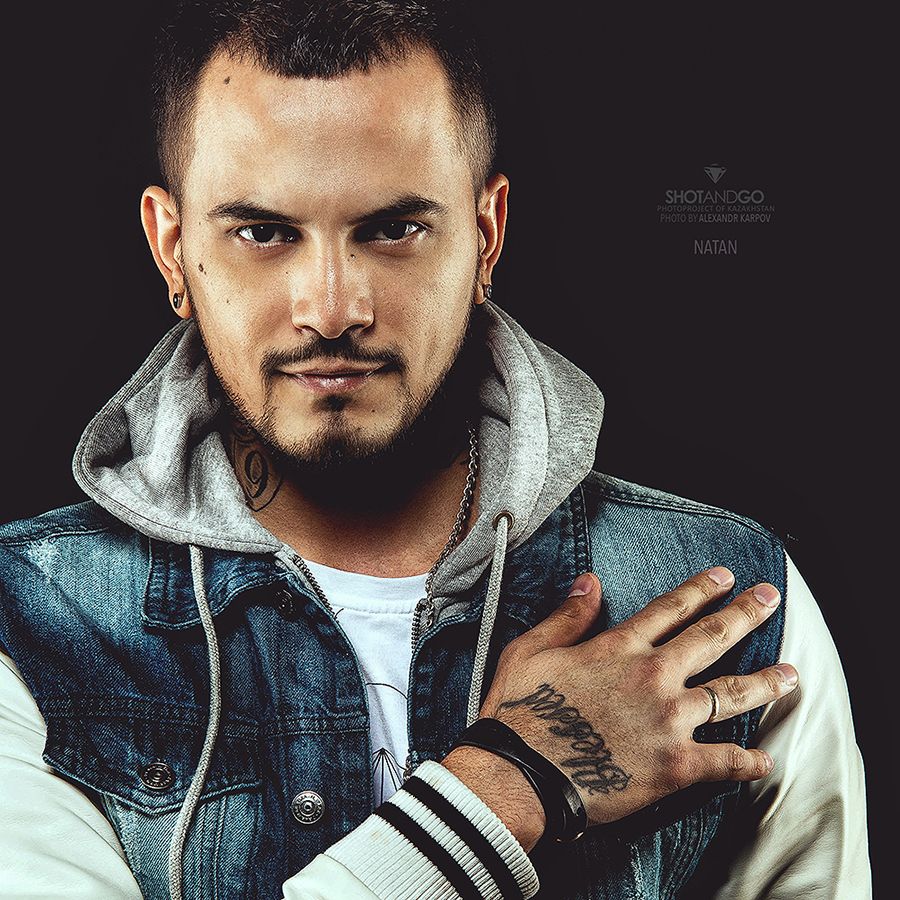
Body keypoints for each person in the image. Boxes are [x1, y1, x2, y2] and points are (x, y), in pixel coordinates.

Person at [0, 1, 868, 898]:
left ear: (487, 236)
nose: (331, 310)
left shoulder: (725, 604)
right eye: (263, 232)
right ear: (172, 249)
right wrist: (514, 782)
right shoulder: (32, 623)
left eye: (392, 229)